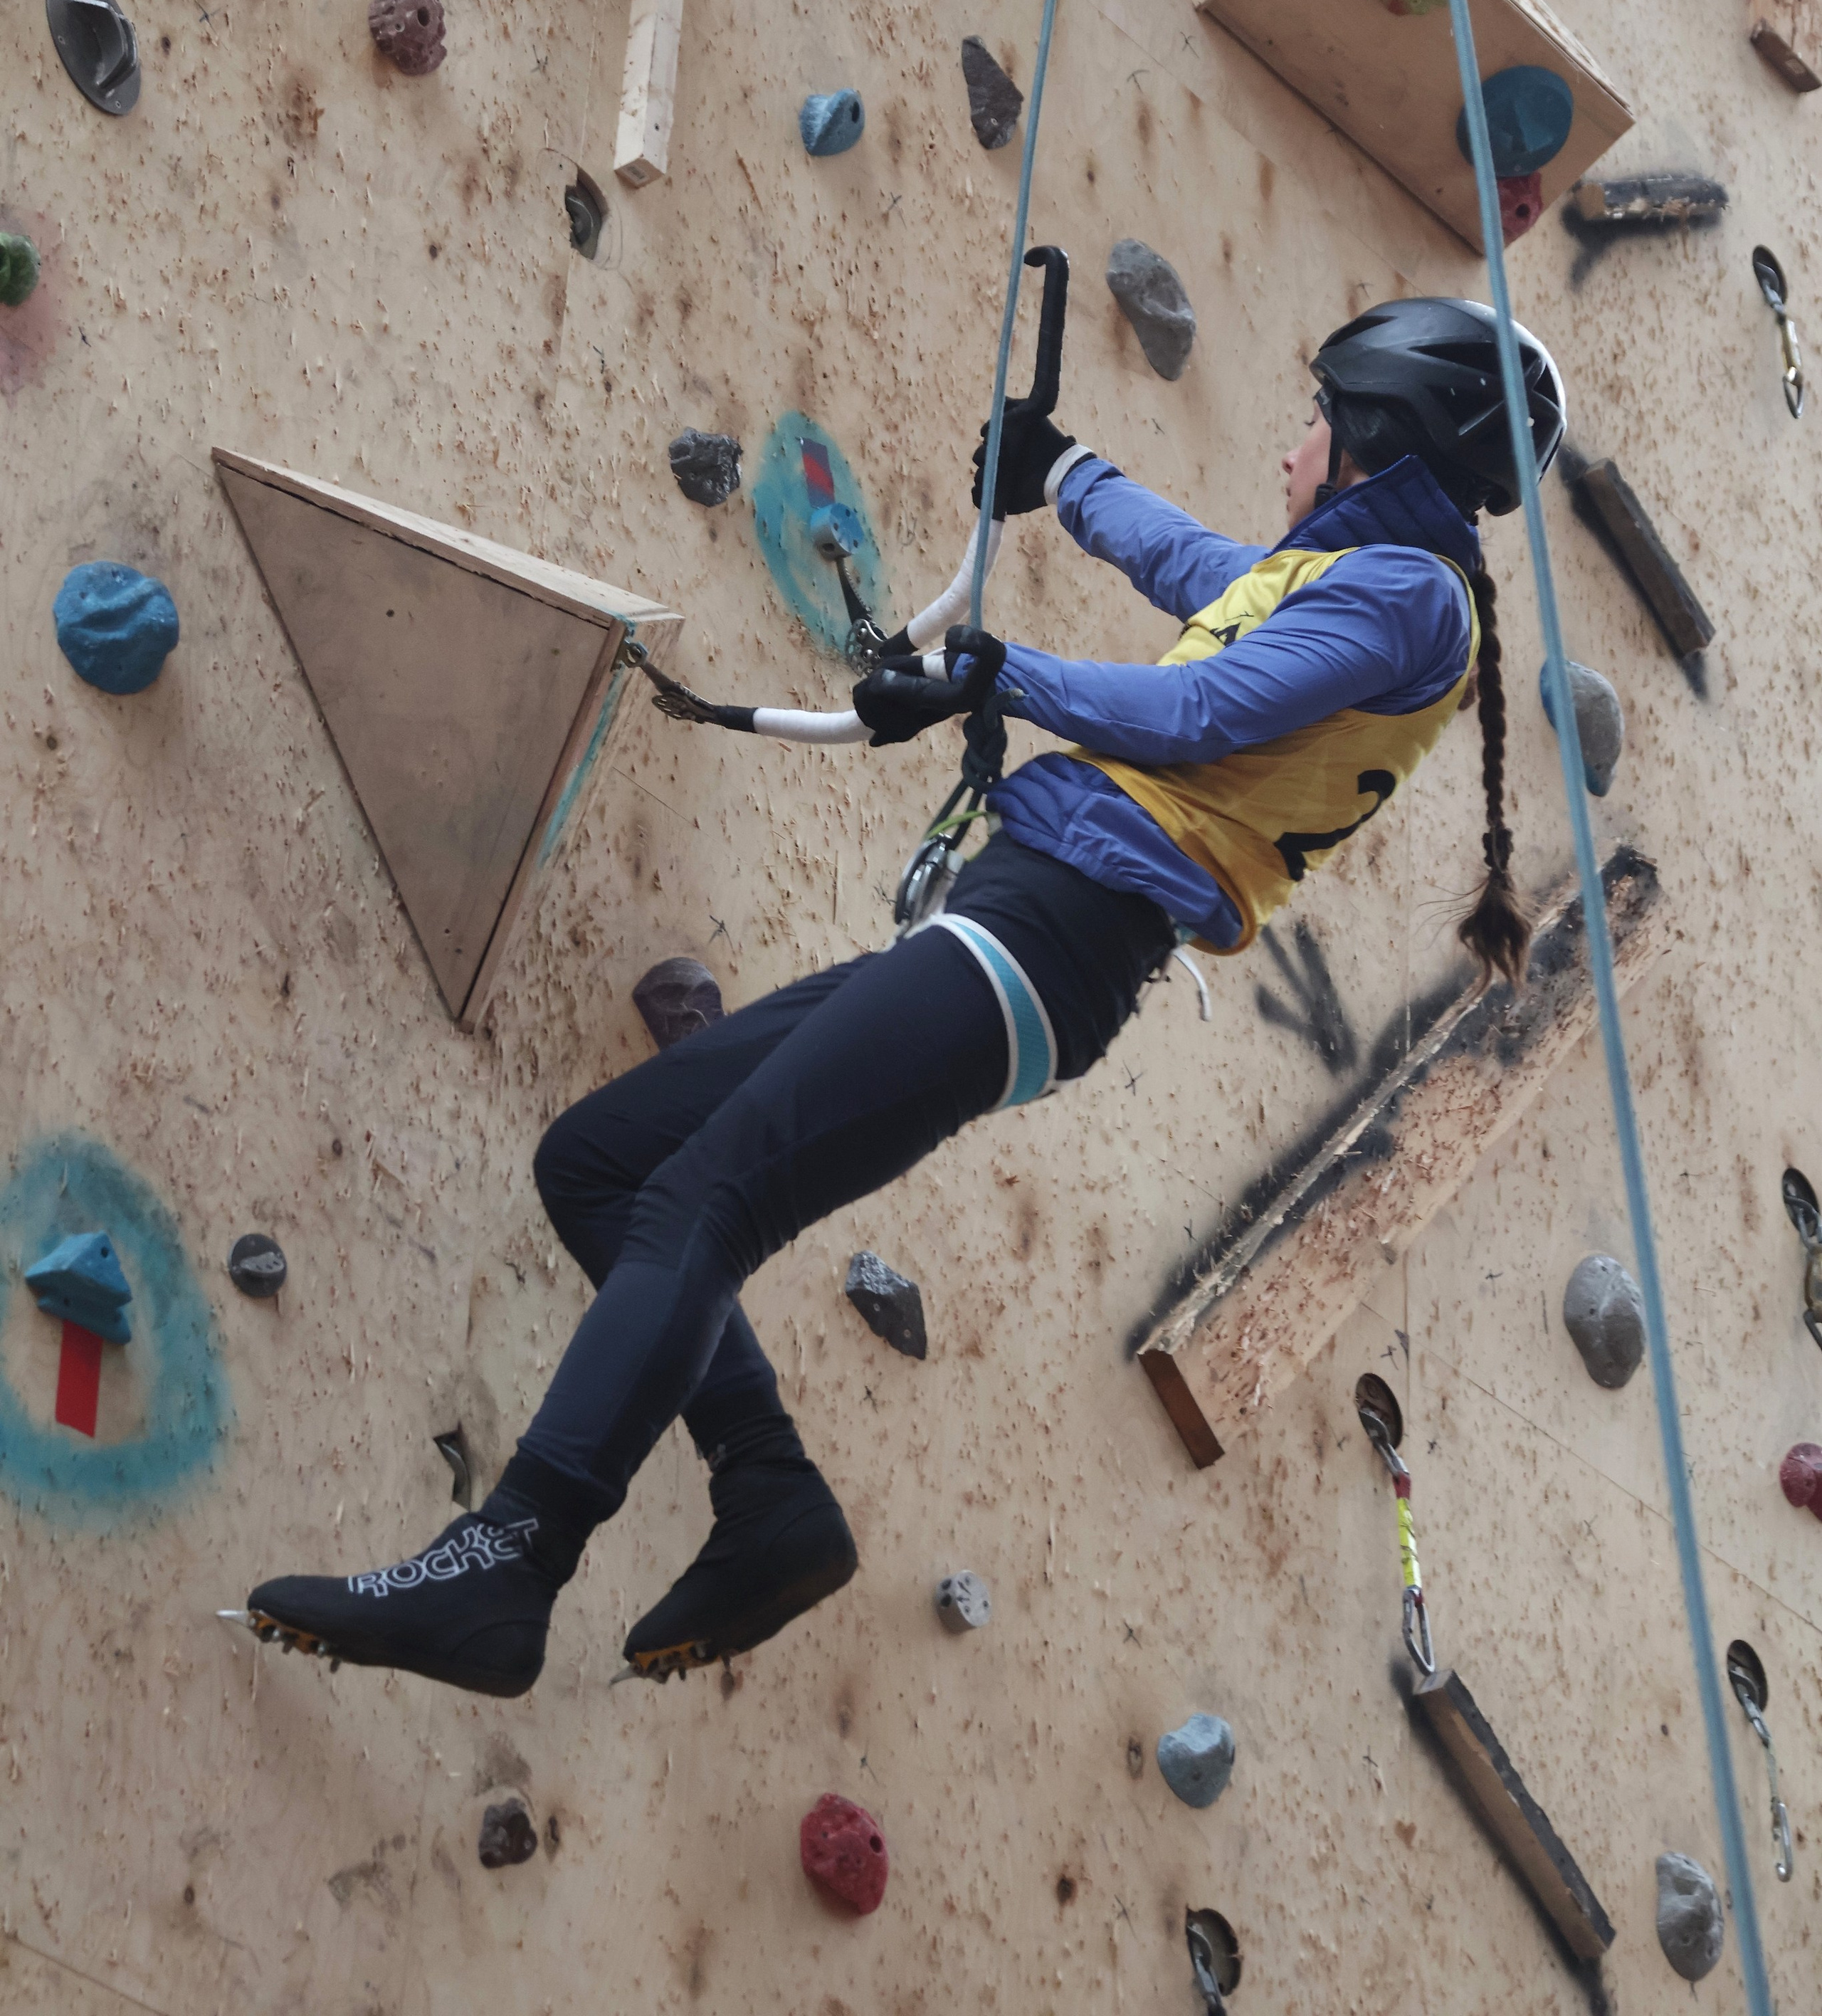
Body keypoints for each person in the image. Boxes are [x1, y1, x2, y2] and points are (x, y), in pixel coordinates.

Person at [241, 296, 1564, 1700]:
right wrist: (1059, 475)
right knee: (606, 1164)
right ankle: (768, 1501)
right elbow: (1200, 575)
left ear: (1374, 425)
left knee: (707, 1196)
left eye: (1313, 413)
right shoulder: (1347, 579)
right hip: (1015, 918)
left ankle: (512, 1561)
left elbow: (1199, 716)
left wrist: (988, 672)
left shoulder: (1412, 596)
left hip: (1059, 939)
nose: (1291, 439)